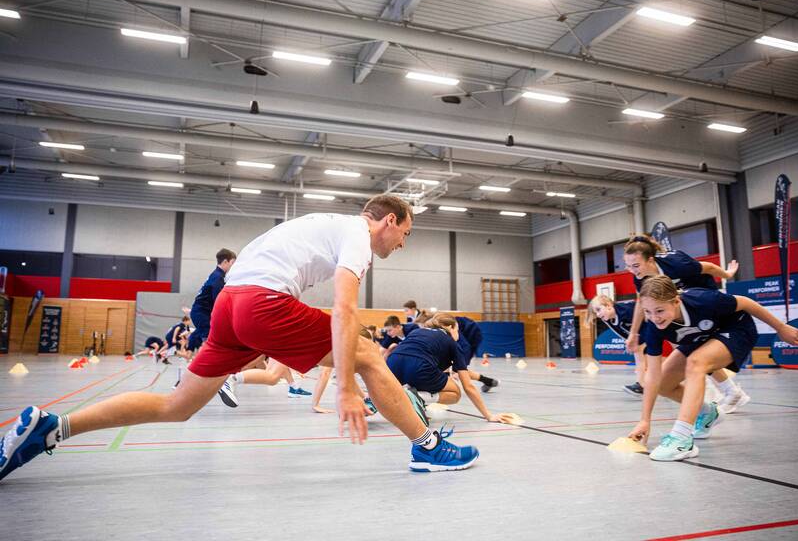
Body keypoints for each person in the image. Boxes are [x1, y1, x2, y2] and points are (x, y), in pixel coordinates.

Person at [0, 194, 478, 482]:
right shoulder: (357, 234)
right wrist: (348, 387)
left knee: (177, 406)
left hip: (232, 306)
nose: (403, 243)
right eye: (406, 234)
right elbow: (345, 307)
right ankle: (429, 446)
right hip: (260, 303)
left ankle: (51, 428)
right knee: (370, 353)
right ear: (388, 220)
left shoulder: (321, 224)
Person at [627, 275, 798, 461]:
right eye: (647, 312)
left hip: (737, 329)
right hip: (702, 338)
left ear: (676, 301)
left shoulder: (703, 300)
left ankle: (682, 439)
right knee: (663, 384)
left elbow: (746, 303)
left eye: (659, 310)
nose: (654, 318)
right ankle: (708, 413)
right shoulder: (653, 326)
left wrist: (781, 328)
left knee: (696, 363)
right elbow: (653, 375)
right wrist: (645, 420)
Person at [621, 234, 749, 413]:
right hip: (677, 311)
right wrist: (633, 333)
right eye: (628, 266)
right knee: (690, 350)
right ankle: (728, 391)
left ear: (650, 260)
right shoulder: (640, 277)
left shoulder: (676, 264)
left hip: (703, 302)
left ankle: (725, 391)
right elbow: (642, 302)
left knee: (697, 352)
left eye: (635, 265)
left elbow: (710, 267)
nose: (632, 270)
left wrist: (727, 274)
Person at [386, 313, 504, 423]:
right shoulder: (452, 343)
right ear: (451, 327)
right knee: (455, 393)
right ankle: (419, 397)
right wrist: (488, 415)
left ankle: (375, 400)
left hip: (392, 362)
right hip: (419, 366)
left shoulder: (417, 332)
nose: (458, 334)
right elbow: (468, 387)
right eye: (458, 330)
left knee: (406, 385)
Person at [182, 248, 238, 406]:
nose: (234, 266)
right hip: (203, 315)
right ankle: (192, 379)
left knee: (211, 347)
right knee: (210, 348)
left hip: (201, 314)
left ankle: (184, 380)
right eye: (233, 263)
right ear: (226, 261)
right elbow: (219, 304)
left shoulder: (217, 276)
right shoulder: (218, 279)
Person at [588, 296, 641, 395]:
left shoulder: (627, 310)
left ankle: (643, 384)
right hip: (641, 335)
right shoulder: (607, 319)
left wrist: (635, 337)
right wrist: (628, 341)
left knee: (642, 355)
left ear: (608, 305)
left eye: (599, 310)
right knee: (639, 355)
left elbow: (642, 320)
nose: (598, 315)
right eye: (596, 313)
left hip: (652, 325)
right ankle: (642, 384)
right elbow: (620, 332)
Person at [454, 316, 498, 393]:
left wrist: (458, 367)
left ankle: (486, 382)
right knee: (458, 369)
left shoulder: (445, 326)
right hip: (469, 334)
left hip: (471, 335)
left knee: (459, 369)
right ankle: (488, 381)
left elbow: (465, 347)